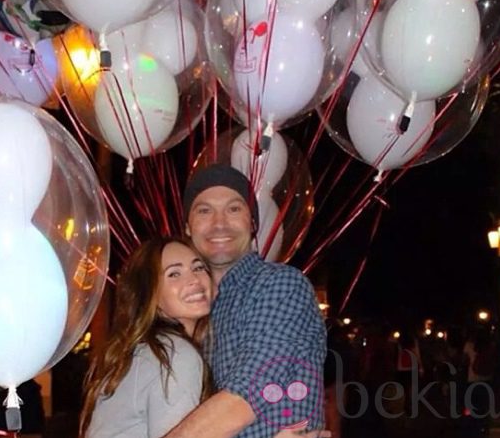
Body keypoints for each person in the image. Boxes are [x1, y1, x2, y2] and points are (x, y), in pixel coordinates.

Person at [163, 164, 327, 437]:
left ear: (253, 224)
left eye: (234, 208)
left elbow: (246, 396)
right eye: (204, 210)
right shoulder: (192, 311)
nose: (219, 223)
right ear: (187, 228)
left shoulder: (279, 285)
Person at [79, 237, 213, 438]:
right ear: (150, 293)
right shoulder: (173, 355)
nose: (194, 279)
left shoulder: (141, 351)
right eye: (174, 274)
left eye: (199, 268)